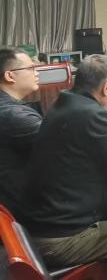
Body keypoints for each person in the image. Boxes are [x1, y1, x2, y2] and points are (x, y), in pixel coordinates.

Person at [21, 55, 107, 268]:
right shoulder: (89, 114)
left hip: (43, 223)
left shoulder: (67, 102)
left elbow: (98, 135)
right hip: (62, 239)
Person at [0, 48, 42, 213]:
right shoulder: (15, 115)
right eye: (31, 68)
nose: (37, 72)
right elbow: (63, 148)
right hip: (23, 207)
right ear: (10, 76)